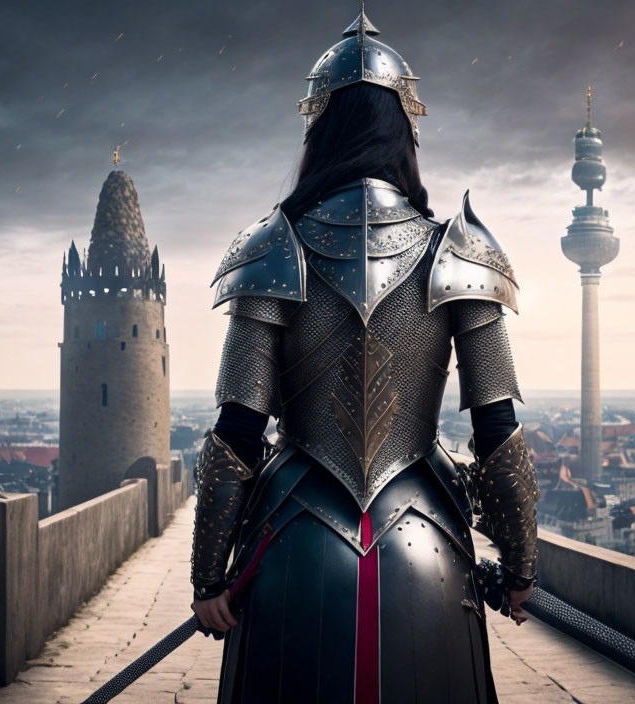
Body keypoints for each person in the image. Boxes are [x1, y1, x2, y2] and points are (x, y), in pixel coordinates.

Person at [190, 9, 539, 704]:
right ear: (406, 130)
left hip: (290, 537)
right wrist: (521, 566)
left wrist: (208, 580)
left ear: (317, 131)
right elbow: (498, 430)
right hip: (427, 541)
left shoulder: (271, 248)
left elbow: (237, 431)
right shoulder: (460, 253)